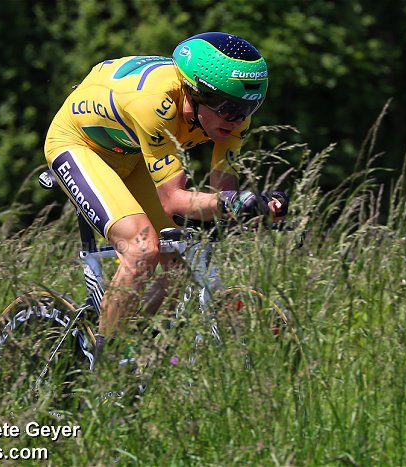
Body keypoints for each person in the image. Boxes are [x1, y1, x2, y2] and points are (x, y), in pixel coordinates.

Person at [43, 32, 287, 355]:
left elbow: (221, 196)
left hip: (130, 152)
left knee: (179, 267)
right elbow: (174, 199)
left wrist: (253, 208)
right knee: (141, 248)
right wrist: (236, 203)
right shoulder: (155, 105)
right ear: (196, 93)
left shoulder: (232, 120)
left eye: (250, 107)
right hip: (78, 145)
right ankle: (103, 377)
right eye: (230, 108)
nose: (240, 119)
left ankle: (133, 353)